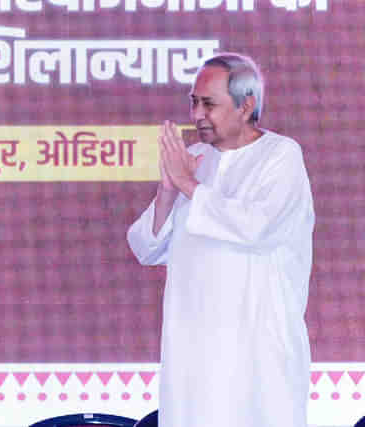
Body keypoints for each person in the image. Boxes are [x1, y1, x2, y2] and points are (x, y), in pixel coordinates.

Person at [127, 53, 314, 427]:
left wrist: (187, 185)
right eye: (193, 102)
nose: (197, 114)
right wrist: (167, 190)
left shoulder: (281, 156)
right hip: (192, 361)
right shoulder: (193, 159)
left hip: (258, 362)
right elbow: (146, 248)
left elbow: (254, 228)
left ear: (247, 105)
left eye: (208, 103)